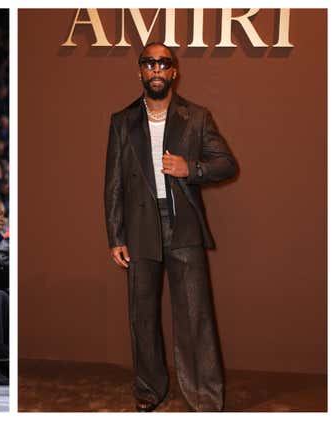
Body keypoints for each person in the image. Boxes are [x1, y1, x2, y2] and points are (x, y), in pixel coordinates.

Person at [104, 42, 237, 412]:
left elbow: (226, 164)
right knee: (141, 316)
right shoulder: (122, 120)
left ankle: (204, 396)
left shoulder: (197, 116)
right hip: (139, 226)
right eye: (150, 63)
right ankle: (149, 390)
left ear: (174, 71)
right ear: (140, 71)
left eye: (164, 63)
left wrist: (190, 169)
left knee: (196, 314)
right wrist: (115, 235)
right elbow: (112, 183)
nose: (157, 69)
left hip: (183, 226)